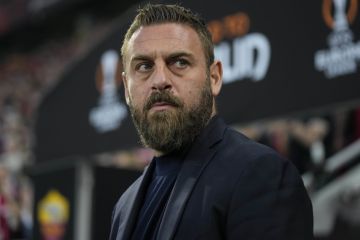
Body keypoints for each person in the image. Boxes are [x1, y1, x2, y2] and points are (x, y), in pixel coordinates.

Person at [109, 3, 313, 240]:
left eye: (179, 62)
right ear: (126, 88)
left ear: (214, 78)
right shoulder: (123, 207)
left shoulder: (261, 174)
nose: (160, 80)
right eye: (144, 66)